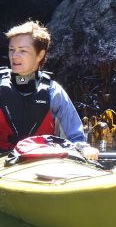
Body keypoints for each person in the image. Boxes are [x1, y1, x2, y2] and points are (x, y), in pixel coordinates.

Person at [0, 20, 99, 160]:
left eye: (23, 51)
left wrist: (84, 149)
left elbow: (74, 137)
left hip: (43, 164)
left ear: (40, 55)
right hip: (4, 163)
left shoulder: (54, 92)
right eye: (12, 49)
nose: (14, 56)